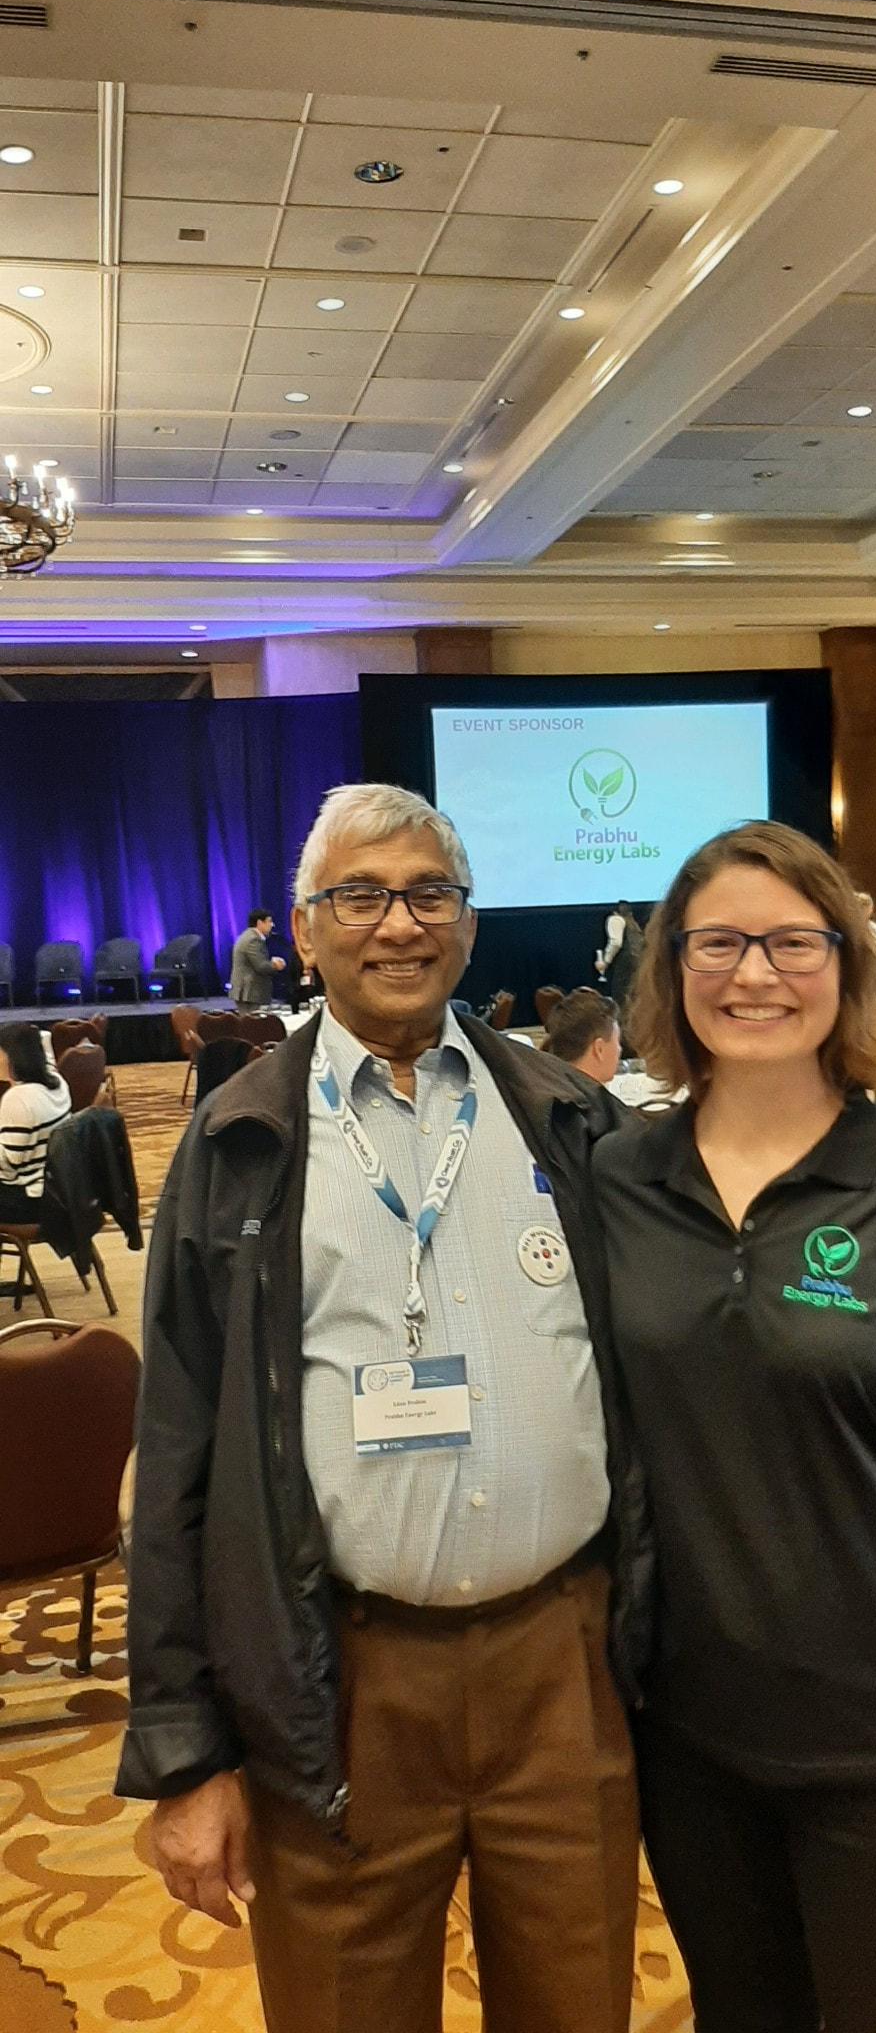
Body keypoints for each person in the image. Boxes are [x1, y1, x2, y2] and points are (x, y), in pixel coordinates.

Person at [116, 782, 644, 2033]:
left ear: (466, 921)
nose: (397, 923)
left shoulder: (568, 1118)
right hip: (333, 1681)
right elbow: (179, 1448)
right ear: (307, 927)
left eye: (427, 892)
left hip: (561, 1666)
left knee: (580, 2006)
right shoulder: (240, 1138)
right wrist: (186, 1752)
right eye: (360, 894)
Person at [592, 820, 876, 2033]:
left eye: (794, 941)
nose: (755, 973)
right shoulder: (615, 1180)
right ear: (671, 970)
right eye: (720, 942)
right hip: (688, 1730)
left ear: (847, 964)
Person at [0, 1022, 70, 1219]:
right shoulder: (57, 1082)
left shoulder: (18, 1098)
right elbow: (45, 1041)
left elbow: (9, 1168)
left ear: (14, 1057)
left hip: (29, 1200)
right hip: (57, 1190)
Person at [545, 987, 622, 1086]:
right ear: (599, 1049)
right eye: (617, 1041)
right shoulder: (592, 1100)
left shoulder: (549, 1088)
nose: (619, 1050)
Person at [229, 908, 286, 1009]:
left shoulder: (247, 936)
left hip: (248, 992)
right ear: (259, 922)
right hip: (250, 993)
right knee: (252, 1024)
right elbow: (261, 966)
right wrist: (276, 965)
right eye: (269, 921)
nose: (272, 925)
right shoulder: (253, 939)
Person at [595, 899, 644, 1014]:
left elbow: (616, 942)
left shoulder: (615, 919)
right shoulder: (633, 925)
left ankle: (623, 1030)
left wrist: (605, 961)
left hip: (625, 963)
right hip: (638, 962)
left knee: (621, 1000)